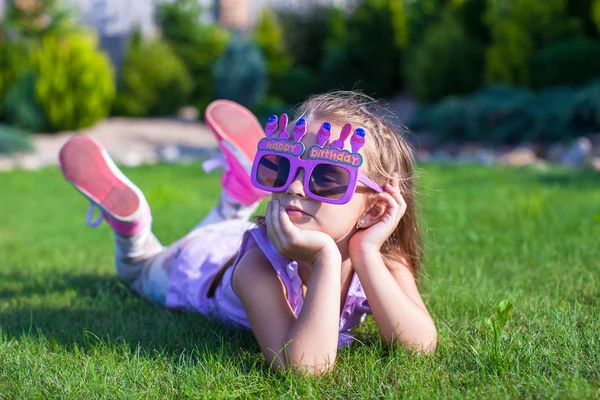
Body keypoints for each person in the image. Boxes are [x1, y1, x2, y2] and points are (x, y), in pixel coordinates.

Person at [58, 92, 437, 374]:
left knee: (222, 225)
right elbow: (303, 367)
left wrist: (367, 254)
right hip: (200, 263)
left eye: (327, 176)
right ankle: (134, 230)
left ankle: (237, 195)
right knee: (138, 270)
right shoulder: (257, 266)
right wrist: (325, 257)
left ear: (374, 208)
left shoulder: (383, 256)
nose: (296, 187)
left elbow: (419, 345)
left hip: (236, 234)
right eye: (284, 167)